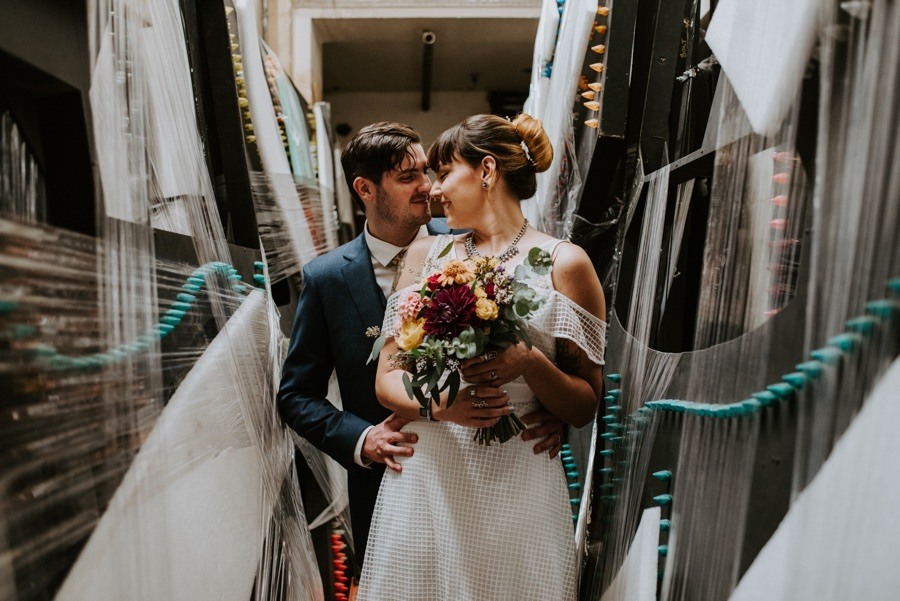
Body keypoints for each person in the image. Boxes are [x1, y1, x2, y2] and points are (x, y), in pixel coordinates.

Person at [277, 121, 565, 568]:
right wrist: (363, 439)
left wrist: (547, 409)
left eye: (428, 173)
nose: (428, 187)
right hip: (387, 477)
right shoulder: (327, 278)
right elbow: (296, 395)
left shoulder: (472, 246)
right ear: (365, 189)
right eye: (408, 177)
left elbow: (539, 347)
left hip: (486, 477)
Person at [357, 114, 607, 601]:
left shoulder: (565, 264)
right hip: (429, 480)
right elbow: (387, 381)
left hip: (519, 482)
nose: (434, 191)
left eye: (445, 173)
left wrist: (531, 362)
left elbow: (584, 405)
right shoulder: (424, 256)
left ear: (487, 170)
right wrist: (442, 407)